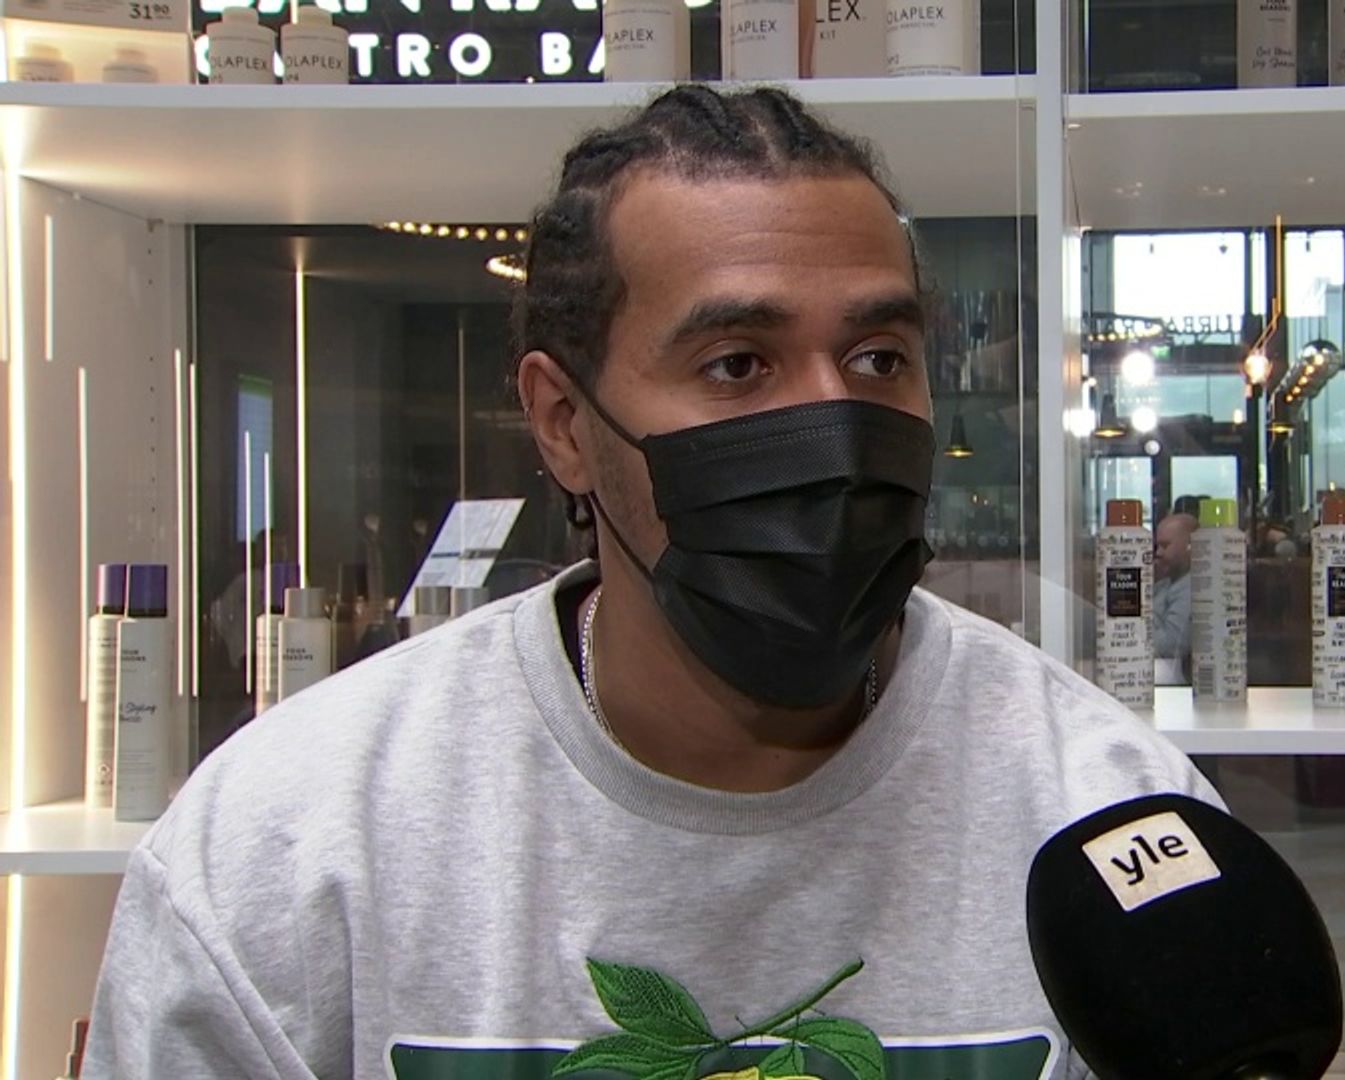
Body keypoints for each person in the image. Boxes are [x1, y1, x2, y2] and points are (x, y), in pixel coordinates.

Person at [85, 86, 1214, 1078]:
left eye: (878, 359)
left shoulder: (1111, 818)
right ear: (564, 424)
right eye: (737, 364)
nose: (832, 423)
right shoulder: (286, 850)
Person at [1153, 512, 1197, 668]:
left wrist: (1126, 639)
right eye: (1157, 546)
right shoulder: (1165, 584)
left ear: (1191, 547)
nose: (1158, 553)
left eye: (1165, 546)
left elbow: (1172, 645)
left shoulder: (1194, 589)